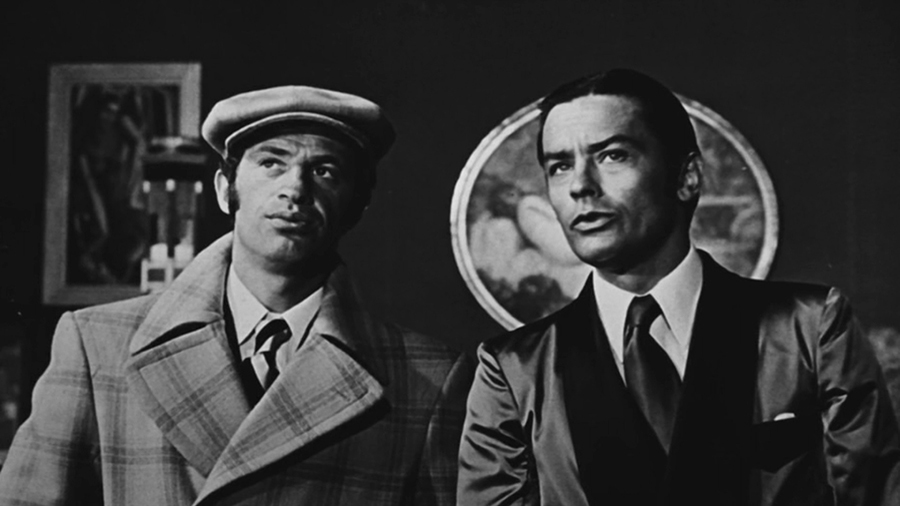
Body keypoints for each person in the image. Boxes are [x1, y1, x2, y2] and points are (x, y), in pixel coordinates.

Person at [0, 85, 473, 505]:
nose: (295, 188)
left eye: (325, 171)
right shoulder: (97, 344)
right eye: (271, 163)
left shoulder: (428, 377)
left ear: (357, 206)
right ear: (226, 190)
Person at [457, 69, 900, 505]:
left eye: (612, 156)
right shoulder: (514, 370)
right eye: (559, 166)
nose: (580, 186)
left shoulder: (808, 328)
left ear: (687, 176)